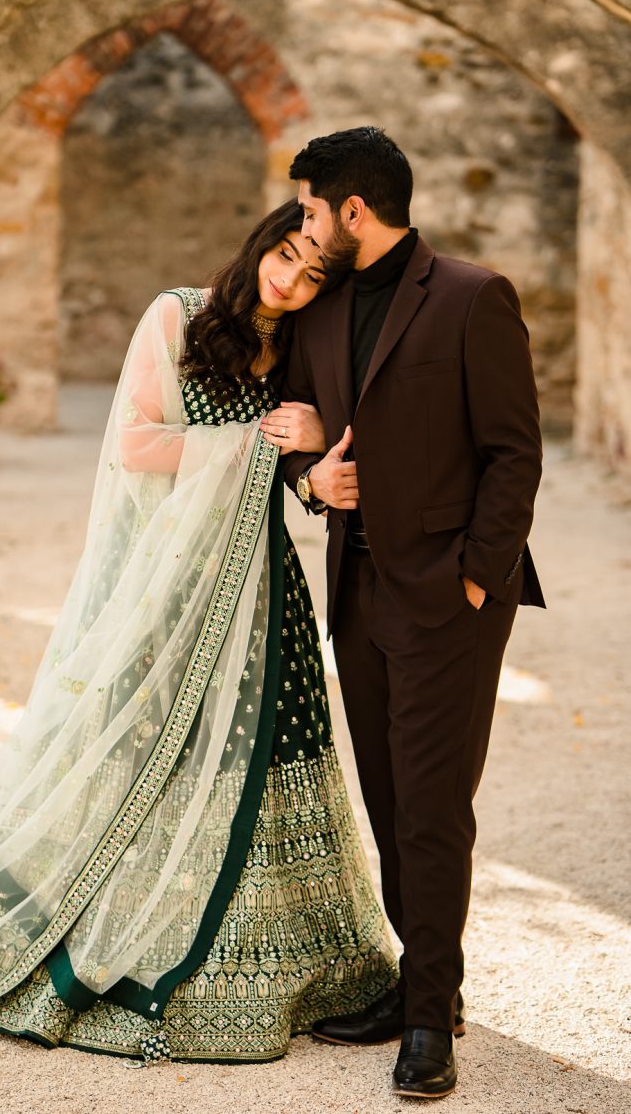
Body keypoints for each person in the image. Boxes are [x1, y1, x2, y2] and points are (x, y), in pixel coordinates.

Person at [0, 199, 398, 1066]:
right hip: (164, 582)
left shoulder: (304, 347)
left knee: (260, 759)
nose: (291, 282)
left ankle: (278, 966)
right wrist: (263, 444)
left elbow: (302, 466)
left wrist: (310, 469)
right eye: (287, 257)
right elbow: (136, 444)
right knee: (140, 750)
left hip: (260, 584)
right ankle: (72, 944)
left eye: (313, 277)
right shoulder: (179, 313)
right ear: (263, 239)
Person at [260, 129, 545, 1098]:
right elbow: (297, 425)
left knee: (429, 809)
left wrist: (476, 573)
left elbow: (513, 451)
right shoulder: (324, 304)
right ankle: (412, 984)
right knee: (387, 797)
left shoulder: (471, 296)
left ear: (352, 208)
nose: (299, 227)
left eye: (307, 209)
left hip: (448, 595)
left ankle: (429, 1017)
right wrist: (308, 476)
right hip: (357, 587)